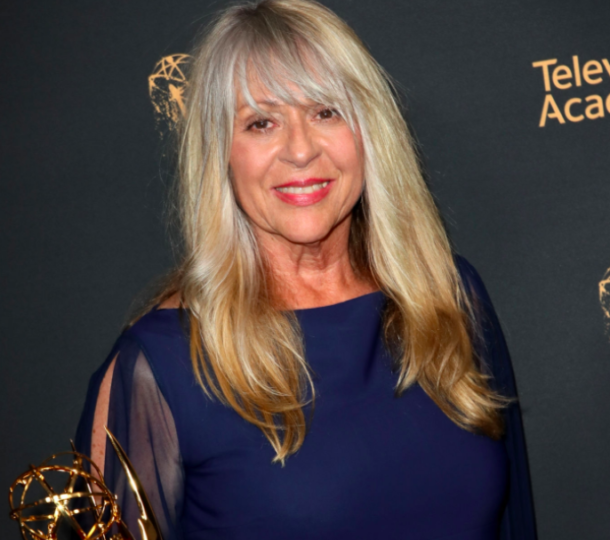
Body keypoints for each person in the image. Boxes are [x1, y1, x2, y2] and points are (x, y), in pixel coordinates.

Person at [76, 1, 537, 539]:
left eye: (326, 112)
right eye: (261, 122)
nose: (300, 150)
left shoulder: (449, 298)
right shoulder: (159, 366)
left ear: (370, 131)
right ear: (220, 153)